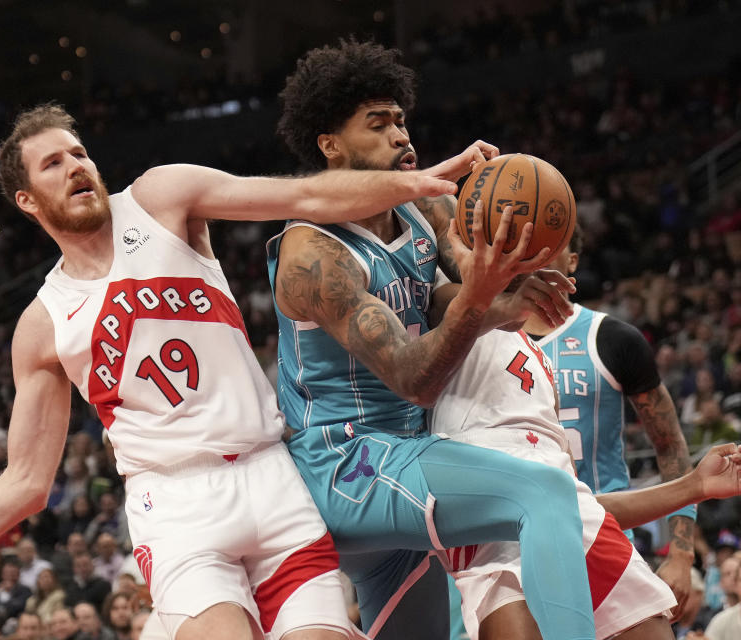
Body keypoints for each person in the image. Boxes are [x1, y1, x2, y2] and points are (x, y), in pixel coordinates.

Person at [0, 103, 472, 640]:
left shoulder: (160, 199)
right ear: (27, 201)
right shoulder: (42, 324)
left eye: (79, 153)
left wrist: (416, 184)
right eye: (52, 164)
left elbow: (304, 195)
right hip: (178, 507)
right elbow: (25, 486)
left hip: (273, 478)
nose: (74, 166)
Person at [270, 38, 595, 640]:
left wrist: (509, 296)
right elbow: (416, 378)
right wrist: (482, 303)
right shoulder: (312, 252)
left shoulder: (423, 213)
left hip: (406, 459)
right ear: (330, 144)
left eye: (401, 119)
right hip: (348, 463)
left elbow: (447, 300)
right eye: (378, 124)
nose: (401, 135)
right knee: (543, 494)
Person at [428, 321, 741, 639]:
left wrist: (694, 487)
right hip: (491, 533)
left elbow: (573, 502)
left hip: (575, 524)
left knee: (651, 629)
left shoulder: (543, 359)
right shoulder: (438, 301)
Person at [522, 227, 699, 618]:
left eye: (552, 243)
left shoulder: (612, 338)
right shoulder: (486, 341)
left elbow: (669, 445)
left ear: (573, 260)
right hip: (521, 543)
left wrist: (682, 556)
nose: (538, 253)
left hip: (608, 533)